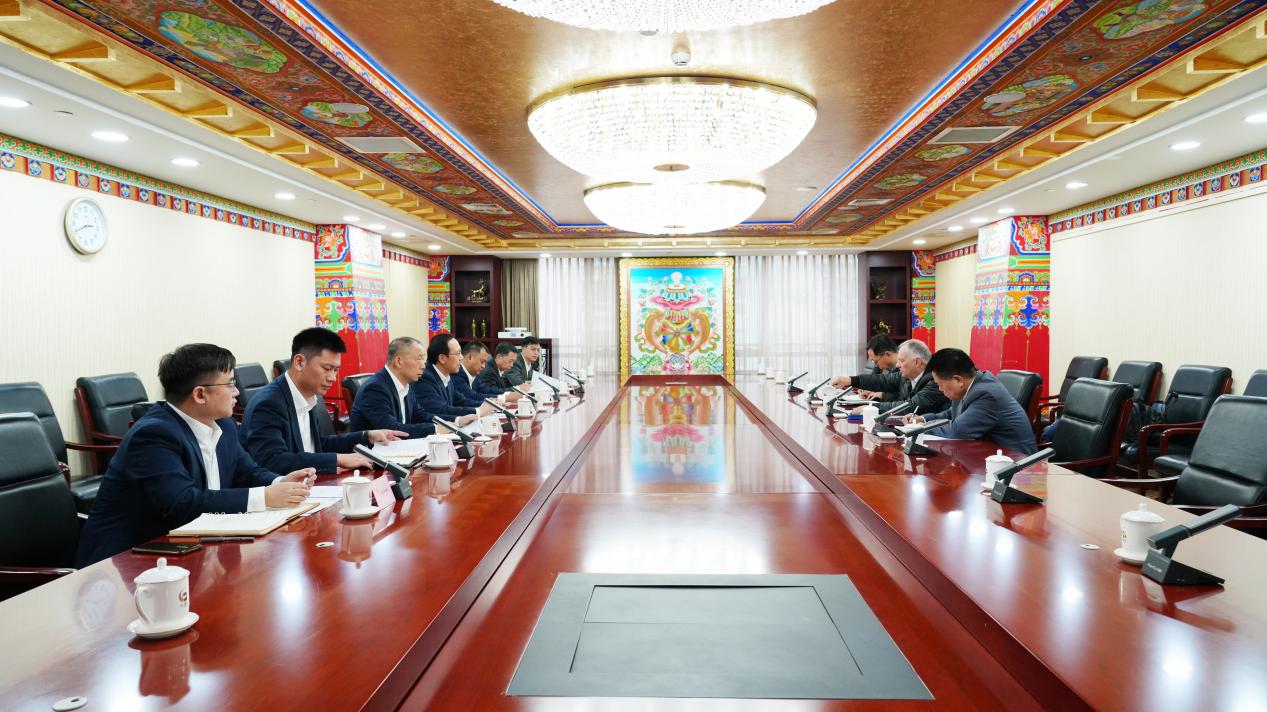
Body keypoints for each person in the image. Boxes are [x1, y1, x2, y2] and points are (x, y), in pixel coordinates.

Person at [76, 344, 314, 566]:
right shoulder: (153, 435)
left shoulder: (223, 424)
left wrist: (279, 482)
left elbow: (246, 471)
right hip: (128, 562)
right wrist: (266, 497)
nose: (237, 392)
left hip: (192, 548)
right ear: (200, 395)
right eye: (230, 384)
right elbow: (183, 503)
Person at [241, 327, 407, 474]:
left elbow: (318, 445)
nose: (333, 377)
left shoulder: (308, 395)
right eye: (327, 368)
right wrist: (338, 459)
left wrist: (367, 436)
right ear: (299, 362)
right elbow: (272, 461)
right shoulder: (269, 403)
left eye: (336, 370)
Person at [901, 348, 1038, 455]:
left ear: (958, 380)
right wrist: (923, 419)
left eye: (940, 384)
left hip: (1014, 464)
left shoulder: (986, 394)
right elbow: (951, 413)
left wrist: (920, 429)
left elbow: (957, 431)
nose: (940, 389)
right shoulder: (971, 385)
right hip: (986, 454)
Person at [351, 337, 469, 437]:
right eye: (419, 359)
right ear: (399, 361)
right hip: (374, 454)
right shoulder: (375, 388)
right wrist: (435, 429)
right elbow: (392, 429)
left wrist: (456, 421)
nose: (423, 366)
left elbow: (421, 415)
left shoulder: (407, 384)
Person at [828, 339, 948, 416]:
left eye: (901, 361)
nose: (897, 365)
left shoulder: (936, 380)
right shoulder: (905, 375)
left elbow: (910, 406)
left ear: (917, 362)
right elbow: (882, 381)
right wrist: (850, 380)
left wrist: (872, 408)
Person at [412, 333, 499, 419]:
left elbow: (461, 401)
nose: (461, 358)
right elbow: (440, 409)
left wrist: (488, 405)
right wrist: (477, 411)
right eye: (458, 353)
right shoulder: (425, 377)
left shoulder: (446, 376)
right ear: (442, 358)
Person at [454, 341, 520, 404]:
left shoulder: (473, 374)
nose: (484, 366)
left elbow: (486, 390)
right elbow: (471, 396)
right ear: (470, 357)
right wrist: (503, 398)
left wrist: (507, 394)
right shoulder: (457, 373)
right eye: (482, 361)